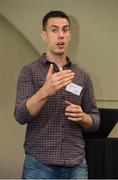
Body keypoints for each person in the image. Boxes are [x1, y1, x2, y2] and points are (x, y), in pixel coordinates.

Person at [14, 10, 100, 179]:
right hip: (39, 167)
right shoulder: (29, 71)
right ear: (44, 35)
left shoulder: (83, 76)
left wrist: (83, 117)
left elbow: (95, 120)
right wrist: (44, 92)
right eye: (54, 30)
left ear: (69, 35)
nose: (60, 35)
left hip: (76, 166)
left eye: (65, 30)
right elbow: (20, 116)